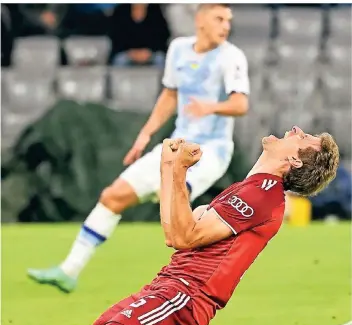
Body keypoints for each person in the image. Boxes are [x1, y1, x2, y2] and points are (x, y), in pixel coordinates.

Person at [67, 126, 339, 325]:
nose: (296, 130)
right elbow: (173, 232)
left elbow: (183, 236)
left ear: (295, 161)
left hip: (185, 296)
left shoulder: (263, 194)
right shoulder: (251, 188)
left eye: (303, 138)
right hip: (166, 286)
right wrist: (169, 166)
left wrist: (180, 170)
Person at [27, 3, 250, 292]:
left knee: (180, 219)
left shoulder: (231, 57)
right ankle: (68, 271)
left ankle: (202, 283)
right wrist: (145, 135)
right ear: (201, 20)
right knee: (112, 196)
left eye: (228, 20)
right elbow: (170, 95)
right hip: (174, 148)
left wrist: (211, 106)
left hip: (209, 152)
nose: (225, 25)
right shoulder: (179, 50)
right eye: (219, 18)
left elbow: (241, 104)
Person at [109, 4, 170, 68]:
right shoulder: (121, 10)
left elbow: (162, 37)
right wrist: (132, 53)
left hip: (151, 53)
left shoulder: (156, 10)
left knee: (160, 58)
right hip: (127, 53)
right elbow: (116, 37)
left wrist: (148, 52)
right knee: (120, 60)